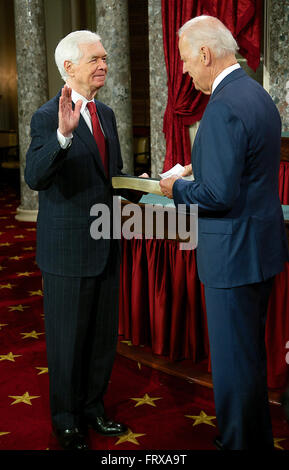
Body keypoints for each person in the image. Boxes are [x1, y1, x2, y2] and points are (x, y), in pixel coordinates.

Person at [160, 15, 289, 450]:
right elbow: (247, 170)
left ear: (205, 52)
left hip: (231, 259)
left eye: (184, 59)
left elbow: (216, 195)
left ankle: (238, 443)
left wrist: (175, 186)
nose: (183, 71)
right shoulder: (255, 95)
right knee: (248, 360)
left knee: (235, 369)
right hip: (259, 252)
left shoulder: (222, 106)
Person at [25, 30, 144, 451]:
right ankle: (67, 421)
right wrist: (62, 138)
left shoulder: (108, 113)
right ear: (68, 68)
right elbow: (35, 176)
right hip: (67, 253)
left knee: (100, 339)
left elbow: (109, 178)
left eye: (105, 58)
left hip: (106, 243)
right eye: (94, 59)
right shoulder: (44, 116)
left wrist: (142, 185)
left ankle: (94, 408)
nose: (104, 65)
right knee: (67, 342)